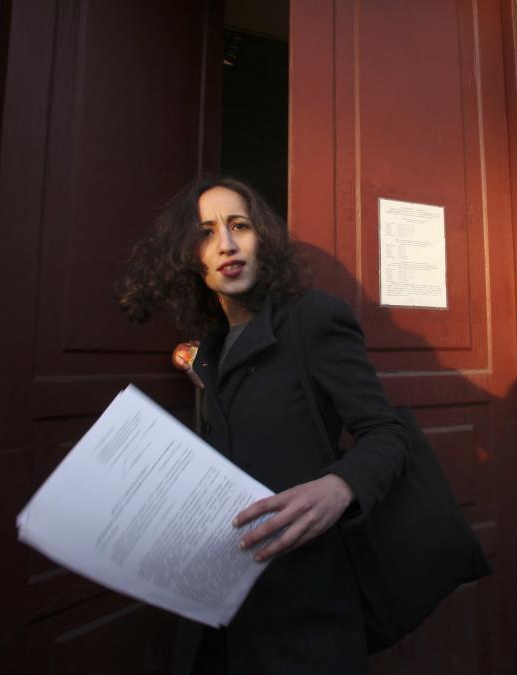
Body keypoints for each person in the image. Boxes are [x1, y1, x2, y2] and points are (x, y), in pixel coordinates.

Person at [120, 177, 408, 674]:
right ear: (190, 256)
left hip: (302, 611)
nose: (226, 245)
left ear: (264, 239)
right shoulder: (208, 349)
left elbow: (387, 434)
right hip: (217, 612)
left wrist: (340, 486)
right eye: (206, 233)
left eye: (239, 226)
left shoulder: (312, 319)